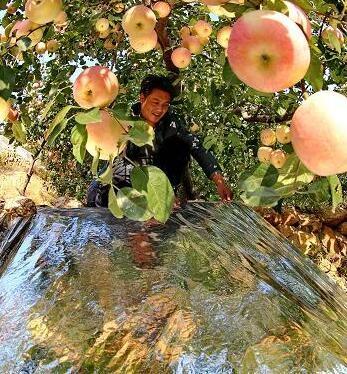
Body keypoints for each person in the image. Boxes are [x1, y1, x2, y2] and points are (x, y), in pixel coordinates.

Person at [87, 75, 232, 207]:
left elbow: (195, 146)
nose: (160, 109)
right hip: (114, 191)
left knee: (179, 146)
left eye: (165, 104)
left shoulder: (171, 123)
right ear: (142, 98)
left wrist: (218, 179)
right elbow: (123, 164)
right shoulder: (124, 119)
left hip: (153, 191)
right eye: (155, 102)